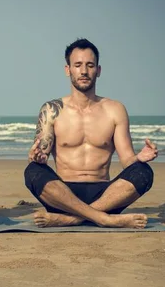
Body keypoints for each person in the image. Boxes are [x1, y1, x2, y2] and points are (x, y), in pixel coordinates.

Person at [24, 38, 158, 229]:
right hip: (63, 194)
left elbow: (127, 159)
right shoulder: (52, 109)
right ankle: (102, 218)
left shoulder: (115, 109)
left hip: (106, 195)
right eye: (77, 65)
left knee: (144, 172)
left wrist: (140, 157)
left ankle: (72, 219)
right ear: (67, 70)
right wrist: (37, 157)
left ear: (99, 70)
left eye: (90, 65)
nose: (84, 71)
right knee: (32, 171)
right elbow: (42, 155)